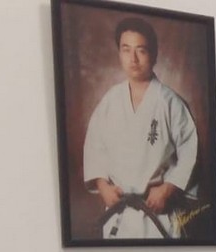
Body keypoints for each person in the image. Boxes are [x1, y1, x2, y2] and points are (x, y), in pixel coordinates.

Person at [82, 17, 198, 240]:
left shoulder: (169, 102)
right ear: (119, 53)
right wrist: (103, 186)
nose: (133, 59)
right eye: (126, 50)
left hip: (158, 213)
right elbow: (94, 147)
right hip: (119, 213)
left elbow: (190, 149)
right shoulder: (110, 101)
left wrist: (168, 189)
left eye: (141, 50)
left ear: (154, 54)